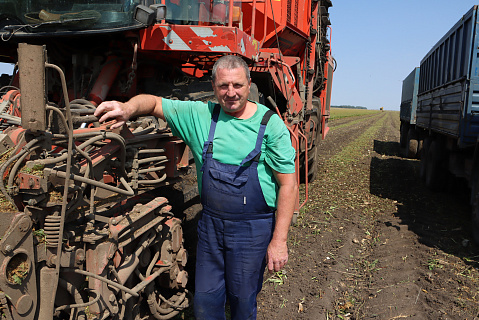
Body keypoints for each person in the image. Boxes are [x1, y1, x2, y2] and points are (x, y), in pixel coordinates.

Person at [94, 55, 298, 320]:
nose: (231, 93)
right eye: (224, 86)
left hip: (252, 228)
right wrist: (128, 109)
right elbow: (155, 102)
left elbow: (289, 185)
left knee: (242, 301)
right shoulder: (201, 116)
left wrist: (279, 241)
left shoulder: (270, 125)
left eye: (237, 85)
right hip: (211, 226)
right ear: (213, 86)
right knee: (205, 301)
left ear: (249, 84)